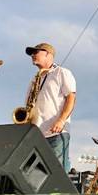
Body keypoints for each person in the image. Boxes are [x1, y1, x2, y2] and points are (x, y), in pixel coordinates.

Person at [25, 42, 76, 172]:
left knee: (56, 174)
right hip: (36, 134)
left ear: (48, 54)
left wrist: (61, 120)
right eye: (31, 53)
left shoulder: (61, 72)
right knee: (36, 174)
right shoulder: (34, 79)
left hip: (56, 133)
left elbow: (71, 97)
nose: (32, 55)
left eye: (36, 52)